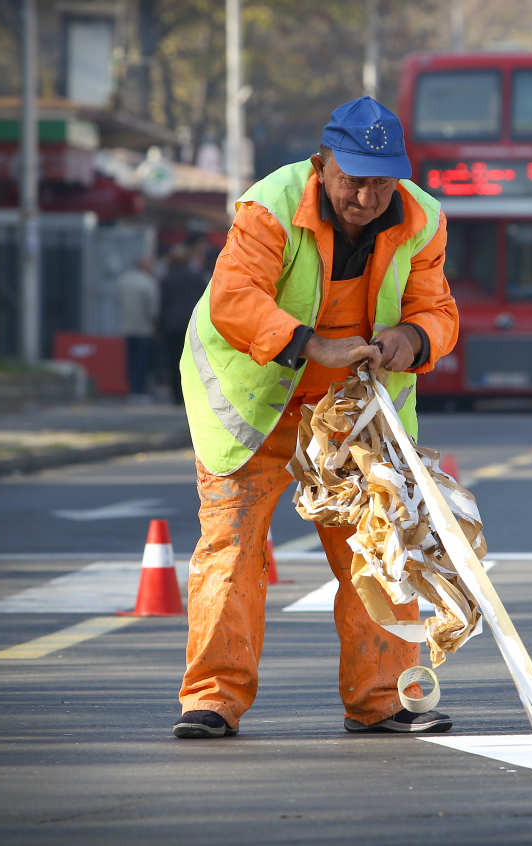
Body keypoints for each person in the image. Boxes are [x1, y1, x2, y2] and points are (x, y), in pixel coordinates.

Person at [174, 96, 458, 740]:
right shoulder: (268, 208)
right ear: (322, 164)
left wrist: (411, 339)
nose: (365, 197)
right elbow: (234, 299)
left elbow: (437, 308)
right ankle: (212, 699)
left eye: (381, 183)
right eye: (352, 180)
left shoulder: (422, 219)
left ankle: (382, 698)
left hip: (352, 416)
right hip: (257, 405)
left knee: (379, 552)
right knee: (233, 552)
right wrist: (311, 344)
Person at [158, 240, 210, 405]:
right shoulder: (197, 277)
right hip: (193, 324)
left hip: (172, 325)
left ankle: (176, 395)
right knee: (194, 361)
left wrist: (160, 327)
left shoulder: (167, 279)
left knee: (174, 361)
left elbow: (163, 304)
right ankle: (191, 394)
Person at [117, 256, 159, 400]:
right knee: (142, 361)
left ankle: (132, 390)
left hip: (127, 327)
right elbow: (152, 308)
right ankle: (140, 391)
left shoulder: (123, 281)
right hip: (144, 328)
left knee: (130, 360)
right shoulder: (147, 283)